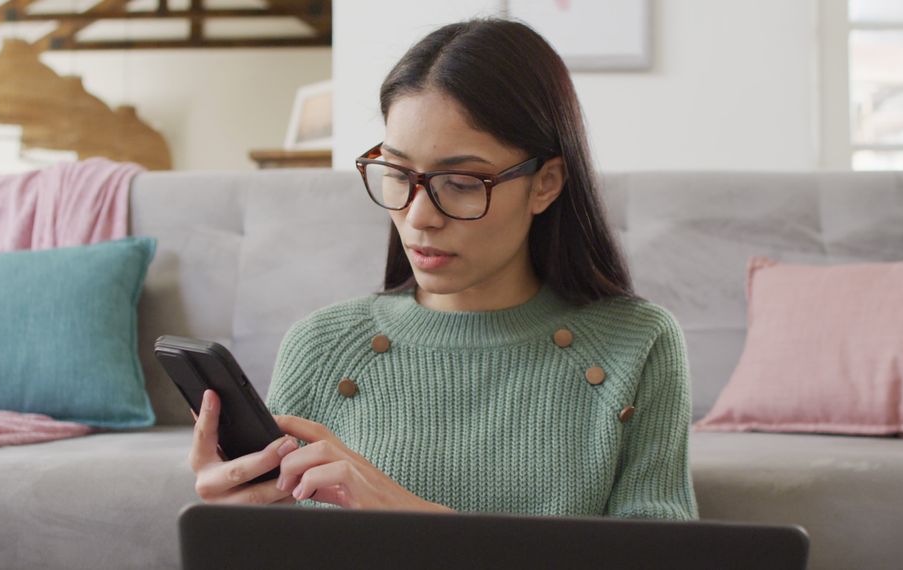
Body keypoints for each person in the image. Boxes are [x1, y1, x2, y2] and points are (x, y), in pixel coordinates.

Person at [188, 16, 698, 520]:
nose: (418, 216)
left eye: (461, 181)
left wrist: (413, 517)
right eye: (397, 173)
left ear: (545, 183)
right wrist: (242, 523)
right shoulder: (320, 347)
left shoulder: (637, 345)